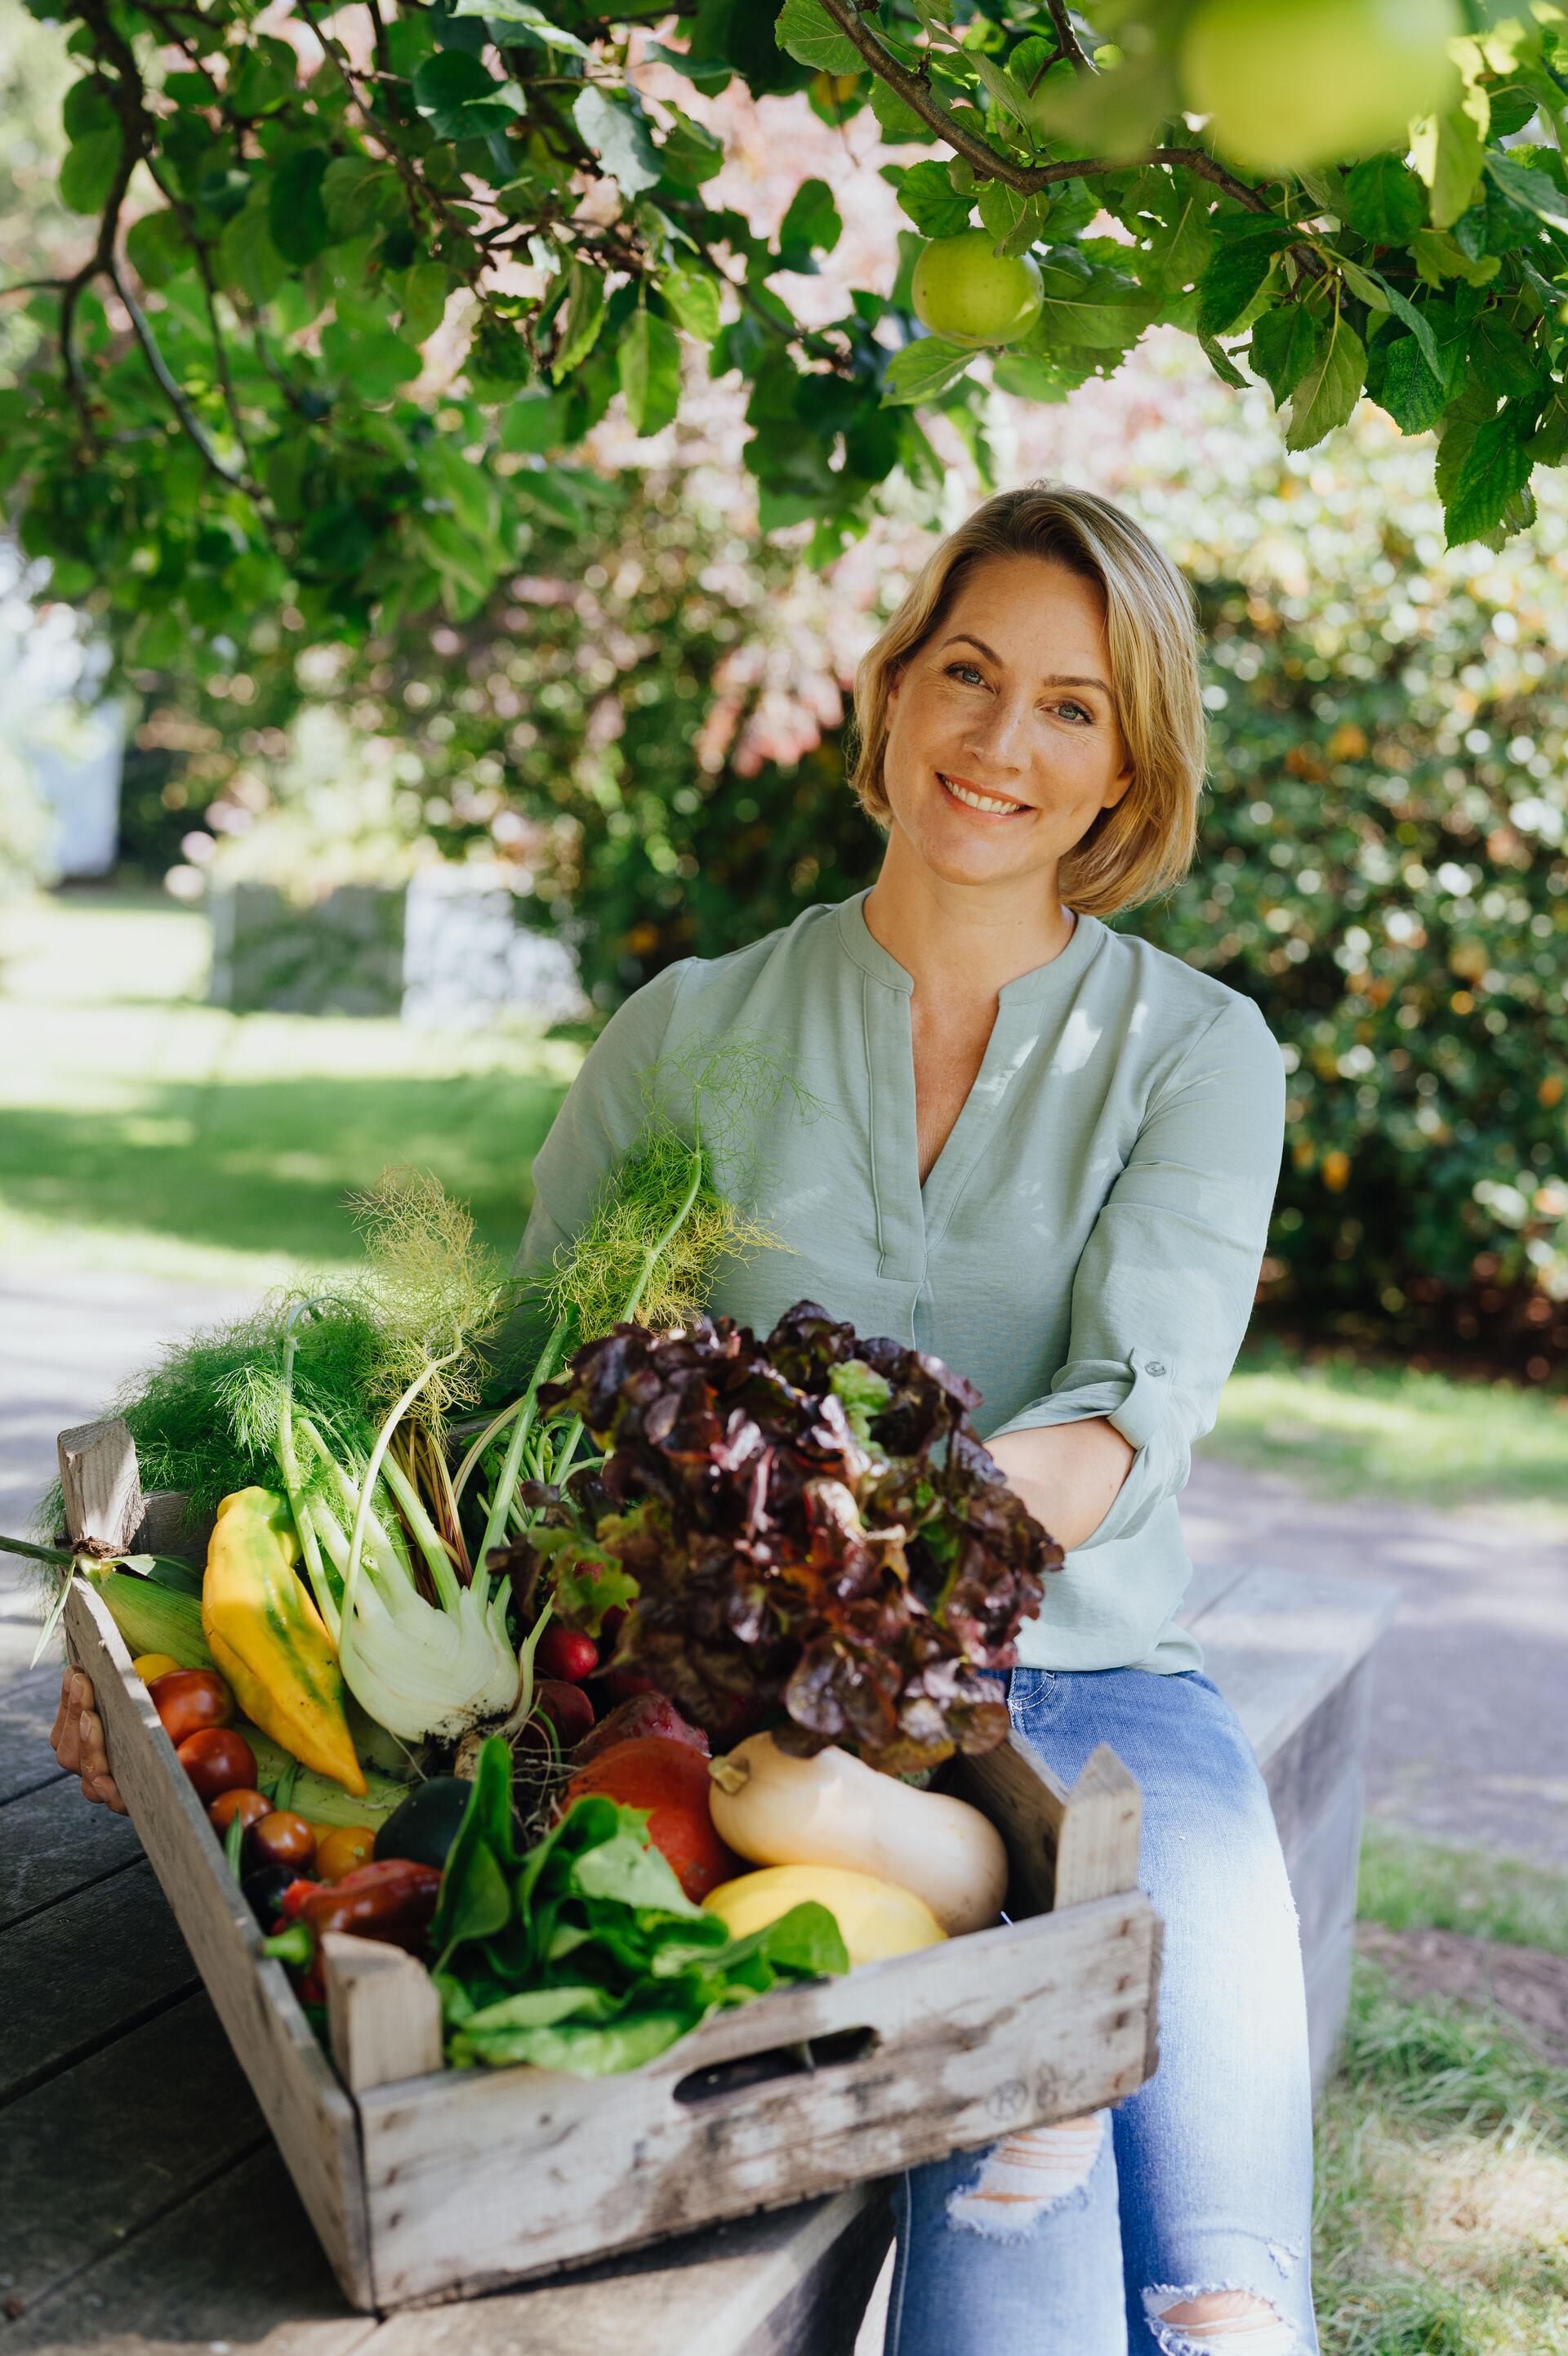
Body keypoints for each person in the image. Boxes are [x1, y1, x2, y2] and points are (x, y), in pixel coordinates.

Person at [52, 480, 1312, 2354]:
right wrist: (173, 1677)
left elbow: (1126, 1419)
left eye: (1074, 703)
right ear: (887, 694)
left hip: (1108, 1698)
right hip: (778, 1755)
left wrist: (859, 1545)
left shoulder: (1199, 1053)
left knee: (1222, 2301)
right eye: (967, 672)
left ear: (1129, 771)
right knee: (1018, 2309)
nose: (1000, 739)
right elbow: (508, 1415)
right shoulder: (690, 1029)